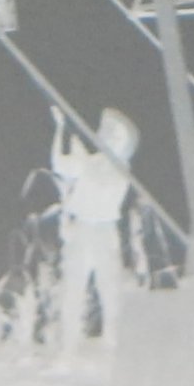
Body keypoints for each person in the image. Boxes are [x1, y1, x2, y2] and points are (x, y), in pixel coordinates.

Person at [52, 106, 138, 358]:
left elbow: (101, 186)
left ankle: (113, 341)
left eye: (113, 135)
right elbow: (59, 164)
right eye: (105, 132)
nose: (106, 137)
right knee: (73, 288)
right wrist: (60, 130)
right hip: (81, 229)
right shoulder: (93, 161)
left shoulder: (121, 169)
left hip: (103, 231)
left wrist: (82, 159)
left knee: (109, 288)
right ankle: (68, 345)